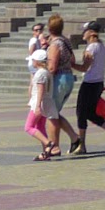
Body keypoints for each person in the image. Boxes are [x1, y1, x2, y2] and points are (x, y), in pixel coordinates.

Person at [72, 23, 105, 154]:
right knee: (90, 113)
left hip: (89, 84)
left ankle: (82, 145)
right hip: (98, 83)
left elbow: (84, 68)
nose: (83, 33)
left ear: (91, 32)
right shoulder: (101, 46)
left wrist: (70, 64)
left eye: (85, 31)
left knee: (81, 113)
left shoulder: (92, 48)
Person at [43, 14, 82, 154]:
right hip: (68, 77)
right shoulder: (66, 41)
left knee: (51, 113)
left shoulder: (55, 45)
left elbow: (52, 67)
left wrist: (41, 68)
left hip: (59, 79)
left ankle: (54, 147)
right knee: (55, 112)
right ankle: (74, 138)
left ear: (49, 28)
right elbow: (72, 60)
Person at [26, 48, 57, 160]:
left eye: (33, 60)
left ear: (37, 61)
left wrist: (38, 106)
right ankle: (45, 153)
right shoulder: (46, 72)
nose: (32, 62)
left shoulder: (40, 74)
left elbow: (40, 90)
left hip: (39, 102)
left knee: (29, 127)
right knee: (40, 127)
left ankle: (48, 143)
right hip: (46, 102)